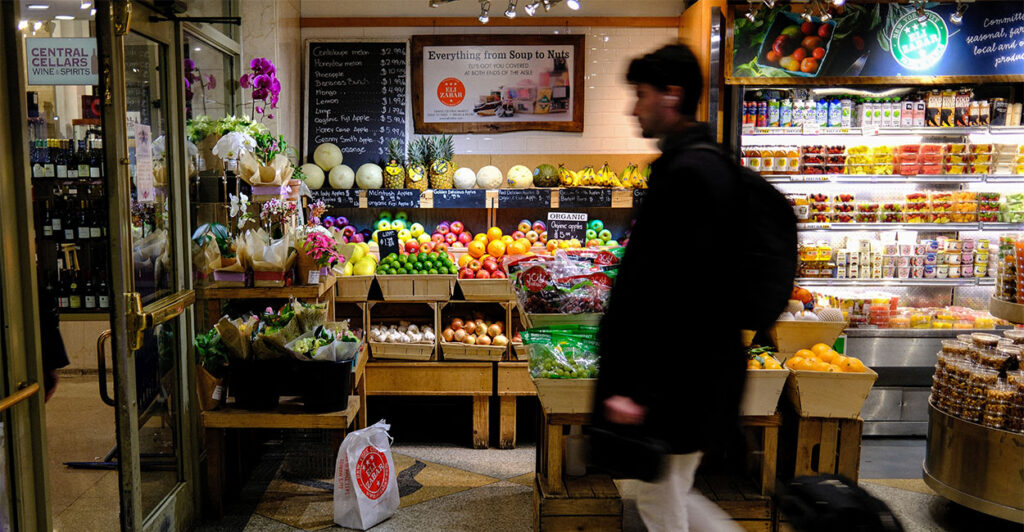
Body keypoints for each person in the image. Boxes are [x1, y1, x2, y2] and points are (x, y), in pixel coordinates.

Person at [594, 43, 751, 532]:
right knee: (668, 491)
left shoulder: (688, 175)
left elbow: (672, 293)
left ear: (671, 96)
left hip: (680, 378)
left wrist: (636, 387)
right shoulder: (708, 163)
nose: (632, 108)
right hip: (700, 374)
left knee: (659, 498)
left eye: (640, 95)